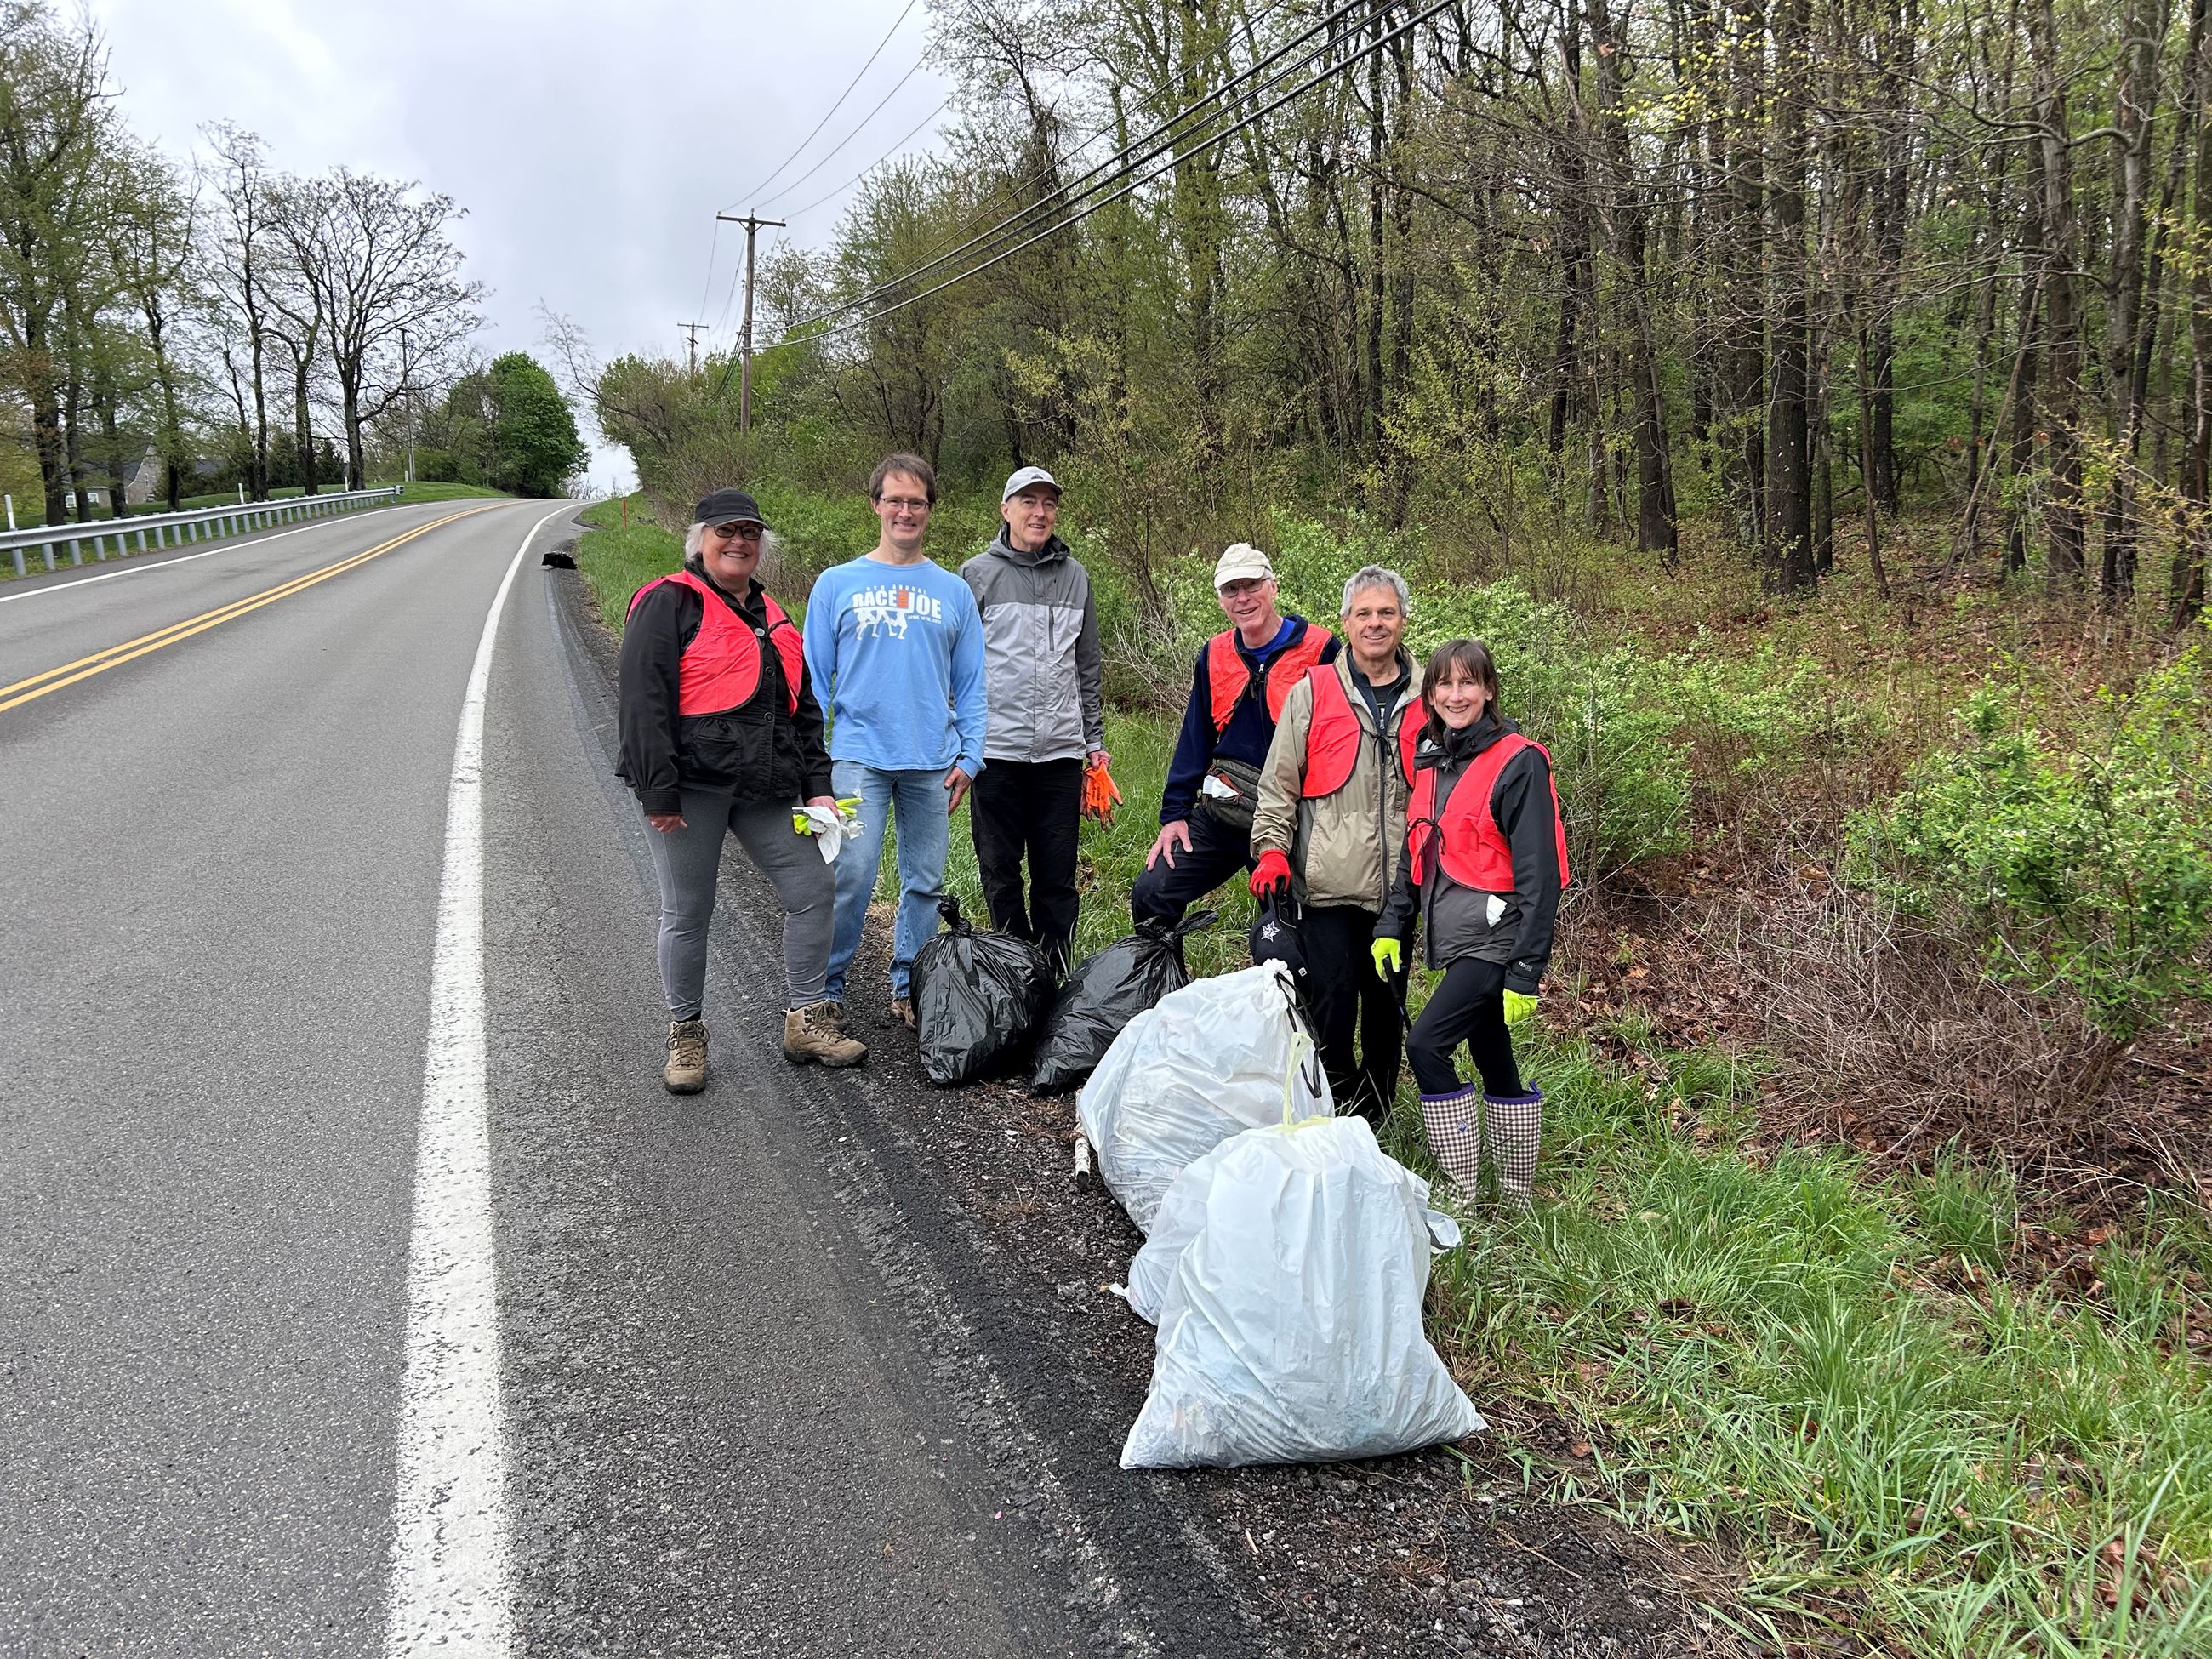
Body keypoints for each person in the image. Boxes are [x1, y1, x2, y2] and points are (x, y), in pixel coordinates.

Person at [618, 489, 867, 1092]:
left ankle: (806, 1021)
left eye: (749, 533)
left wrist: (819, 788)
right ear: (699, 539)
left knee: (813, 888)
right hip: (692, 788)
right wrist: (658, 792)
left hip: (765, 786)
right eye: (725, 531)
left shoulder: (774, 614)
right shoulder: (669, 601)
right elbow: (643, 702)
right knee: (688, 911)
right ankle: (686, 1034)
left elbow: (804, 711)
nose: (739, 542)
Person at [1373, 638, 1568, 1208]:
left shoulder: (1518, 761)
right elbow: (1415, 856)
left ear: (1488, 691)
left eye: (1468, 683)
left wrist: (1525, 969)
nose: (1456, 696)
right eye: (1444, 684)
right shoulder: (1432, 760)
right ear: (1430, 694)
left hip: (1497, 939)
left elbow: (1541, 876)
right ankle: (1514, 1193)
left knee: (1426, 1046)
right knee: (1490, 1049)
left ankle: (1462, 1190)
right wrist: (1391, 925)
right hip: (1459, 937)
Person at [804, 453, 988, 1028]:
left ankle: (909, 987)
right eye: (895, 500)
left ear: (929, 510)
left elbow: (973, 684)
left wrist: (972, 757)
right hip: (857, 756)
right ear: (875, 505)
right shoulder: (837, 584)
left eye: (917, 502)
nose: (905, 512)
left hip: (932, 761)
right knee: (851, 874)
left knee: (925, 883)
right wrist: (810, 762)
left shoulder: (954, 592)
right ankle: (826, 989)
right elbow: (813, 681)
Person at [1249, 566, 1423, 1124]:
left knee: (1386, 1004)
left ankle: (1377, 1116)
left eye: (1387, 612)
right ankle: (1332, 1106)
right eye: (1364, 613)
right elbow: (1279, 783)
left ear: (1403, 620)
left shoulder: (1431, 694)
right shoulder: (1313, 690)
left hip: (1400, 888)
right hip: (1325, 885)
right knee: (1331, 999)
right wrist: (1271, 849)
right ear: (1345, 622)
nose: (1376, 623)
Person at [1129, 544, 1336, 927]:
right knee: (1152, 891)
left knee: (1285, 930)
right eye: (1231, 589)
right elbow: (1195, 738)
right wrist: (1175, 814)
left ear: (1272, 586)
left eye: (1252, 585)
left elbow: (1338, 745)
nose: (1243, 598)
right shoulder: (1214, 653)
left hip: (1289, 820)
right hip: (1224, 813)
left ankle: (1283, 962)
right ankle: (1160, 967)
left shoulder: (1322, 649)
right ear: (1221, 600)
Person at [960, 465, 1106, 973]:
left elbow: (1087, 665)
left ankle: (1056, 974)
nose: (1040, 512)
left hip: (1060, 753)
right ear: (1006, 510)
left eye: (1048, 503)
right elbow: (958, 667)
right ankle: (1016, 973)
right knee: (1000, 870)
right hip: (994, 751)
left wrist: (1094, 743)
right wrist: (960, 743)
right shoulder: (975, 575)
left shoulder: (1076, 576)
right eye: (1028, 502)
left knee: (1057, 876)